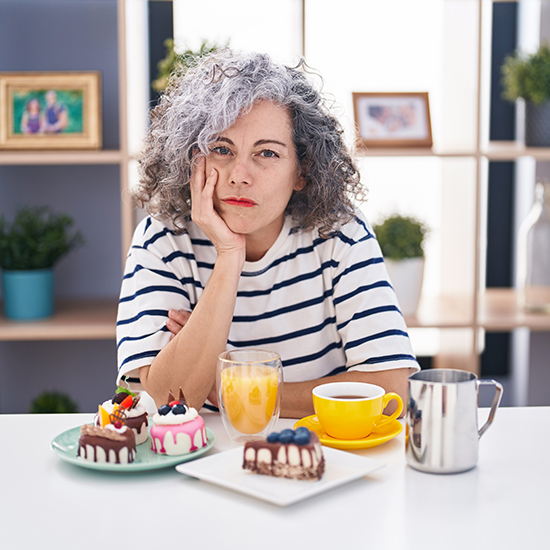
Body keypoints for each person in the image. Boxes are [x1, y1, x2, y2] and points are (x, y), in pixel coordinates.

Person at [116, 50, 419, 419]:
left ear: (301, 172)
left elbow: (389, 389)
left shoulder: (341, 234)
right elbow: (166, 400)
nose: (239, 174)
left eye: (268, 154)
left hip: (321, 456)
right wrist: (229, 255)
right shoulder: (162, 238)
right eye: (221, 149)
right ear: (191, 157)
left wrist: (230, 386)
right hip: (196, 459)